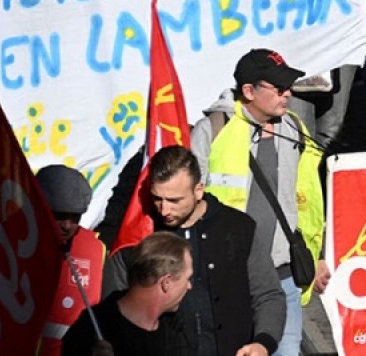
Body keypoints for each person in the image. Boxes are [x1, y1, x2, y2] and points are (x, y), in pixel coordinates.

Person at [191, 50, 330, 356]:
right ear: (249, 91)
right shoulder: (214, 130)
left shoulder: (294, 127)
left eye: (289, 87)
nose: (288, 94)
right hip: (229, 279)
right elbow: (192, 202)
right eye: (279, 88)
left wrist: (317, 254)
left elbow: (307, 198)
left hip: (282, 276)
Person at [101, 146, 285, 356]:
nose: (164, 210)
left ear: (198, 190)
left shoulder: (238, 228)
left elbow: (268, 295)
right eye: (157, 198)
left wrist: (263, 343)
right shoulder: (137, 238)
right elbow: (112, 308)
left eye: (174, 200)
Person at [62, 232, 197, 356]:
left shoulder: (176, 328)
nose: (190, 286)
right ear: (166, 282)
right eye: (187, 278)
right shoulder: (92, 328)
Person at [35, 164, 108, 355]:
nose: (67, 226)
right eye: (59, 215)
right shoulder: (4, 238)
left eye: (75, 217)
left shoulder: (96, 248)